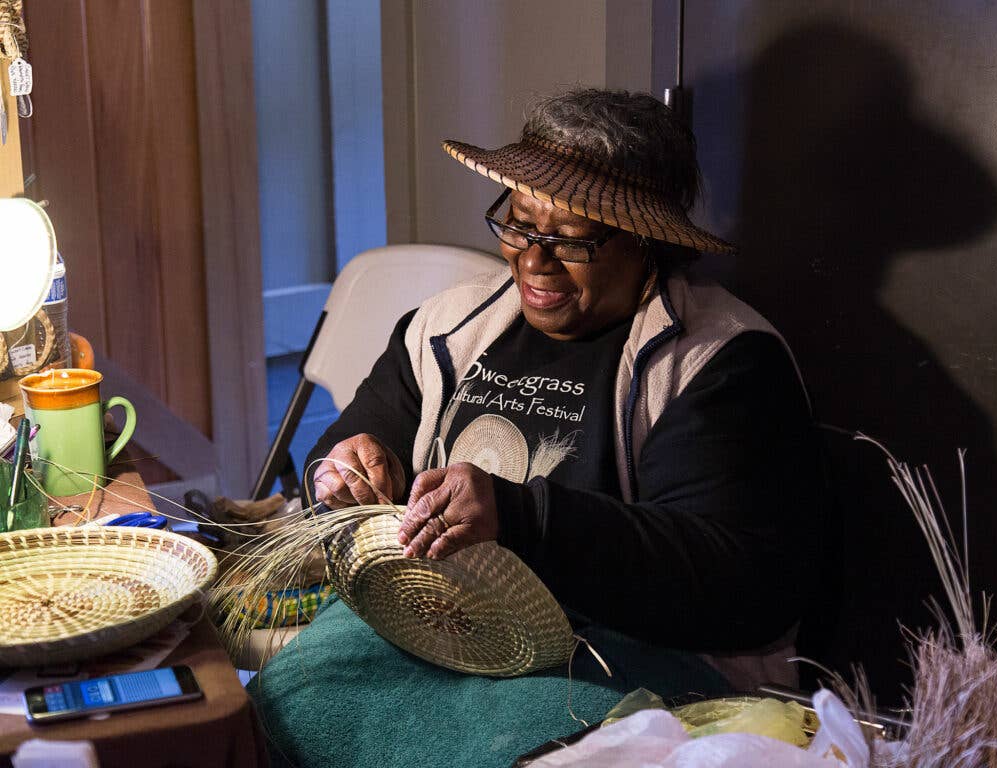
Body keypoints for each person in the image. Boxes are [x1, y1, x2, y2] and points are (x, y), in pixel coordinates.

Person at [307, 88, 824, 690]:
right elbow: (349, 444)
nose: (534, 261)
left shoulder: (720, 363)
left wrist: (521, 516)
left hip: (623, 672)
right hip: (448, 633)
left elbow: (739, 586)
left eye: (571, 238)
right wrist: (343, 468)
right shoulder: (447, 327)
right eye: (520, 226)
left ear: (646, 241)